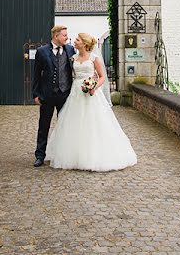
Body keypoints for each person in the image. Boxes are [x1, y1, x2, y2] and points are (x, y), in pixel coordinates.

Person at [46, 32, 137, 172]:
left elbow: (102, 77)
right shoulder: (73, 57)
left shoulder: (94, 58)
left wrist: (93, 86)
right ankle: (75, 155)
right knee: (74, 123)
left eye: (77, 39)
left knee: (93, 123)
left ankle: (93, 156)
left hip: (91, 94)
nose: (74, 41)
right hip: (76, 93)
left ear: (84, 43)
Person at [32, 24, 75, 167]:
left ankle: (64, 155)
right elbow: (36, 75)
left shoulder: (70, 49)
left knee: (65, 126)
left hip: (65, 95)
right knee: (44, 126)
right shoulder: (42, 51)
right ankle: (39, 156)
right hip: (47, 95)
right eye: (64, 35)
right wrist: (36, 94)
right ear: (56, 36)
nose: (67, 37)